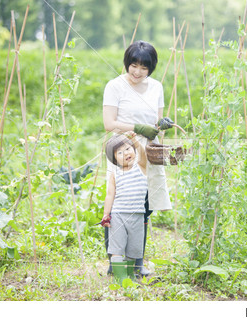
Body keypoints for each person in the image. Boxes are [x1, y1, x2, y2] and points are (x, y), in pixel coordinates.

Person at [103, 40, 174, 276]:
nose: (137, 72)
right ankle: (115, 262)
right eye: (134, 65)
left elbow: (157, 123)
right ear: (127, 63)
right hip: (123, 151)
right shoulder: (115, 86)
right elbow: (109, 123)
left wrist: (160, 126)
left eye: (144, 67)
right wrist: (137, 128)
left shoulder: (156, 87)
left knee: (144, 206)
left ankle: (137, 262)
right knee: (120, 205)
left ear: (151, 68)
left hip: (147, 153)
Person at [101, 132, 148, 276]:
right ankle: (119, 278)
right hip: (118, 215)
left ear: (133, 150)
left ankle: (128, 277)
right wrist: (106, 214)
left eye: (128, 149)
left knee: (133, 250)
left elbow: (143, 154)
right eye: (119, 153)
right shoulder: (114, 174)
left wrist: (135, 141)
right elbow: (110, 195)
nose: (125, 153)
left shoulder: (141, 167)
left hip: (137, 215)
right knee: (116, 248)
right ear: (114, 159)